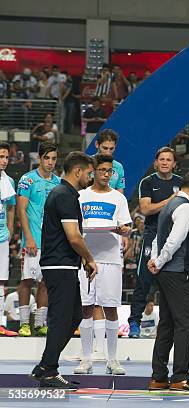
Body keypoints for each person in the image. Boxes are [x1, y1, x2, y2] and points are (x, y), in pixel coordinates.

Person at [30, 152, 97, 390]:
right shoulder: (64, 196)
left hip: (62, 264)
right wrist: (90, 258)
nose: (90, 177)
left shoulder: (64, 194)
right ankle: (49, 370)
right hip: (60, 265)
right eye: (89, 173)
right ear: (77, 171)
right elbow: (74, 237)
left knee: (74, 315)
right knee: (61, 319)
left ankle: (45, 365)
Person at [147, 169, 189, 393]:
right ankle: (180, 378)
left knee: (167, 325)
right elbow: (173, 241)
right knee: (185, 325)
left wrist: (155, 260)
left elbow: (157, 237)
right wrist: (161, 261)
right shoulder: (185, 208)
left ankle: (159, 377)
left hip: (167, 273)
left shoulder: (169, 205)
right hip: (179, 273)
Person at [74, 154, 131, 376]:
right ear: (93, 171)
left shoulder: (119, 198)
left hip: (111, 258)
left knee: (111, 308)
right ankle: (86, 358)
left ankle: (112, 360)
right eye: (102, 170)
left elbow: (125, 226)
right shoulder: (80, 196)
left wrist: (125, 230)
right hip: (86, 258)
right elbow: (75, 226)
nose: (106, 174)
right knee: (86, 308)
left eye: (110, 171)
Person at [128, 147, 182, 338]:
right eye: (162, 159)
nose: (165, 162)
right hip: (153, 235)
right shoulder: (148, 182)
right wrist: (170, 201)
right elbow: (145, 209)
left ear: (174, 163)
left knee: (173, 279)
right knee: (144, 277)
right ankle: (134, 321)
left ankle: (176, 324)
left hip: (175, 234)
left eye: (169, 159)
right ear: (156, 162)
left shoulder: (181, 183)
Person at [16, 142, 61, 337]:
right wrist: (29, 238)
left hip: (51, 242)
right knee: (27, 280)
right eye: (47, 158)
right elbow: (21, 210)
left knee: (45, 282)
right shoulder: (27, 180)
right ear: (39, 158)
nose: (50, 162)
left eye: (53, 158)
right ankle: (24, 323)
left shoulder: (58, 182)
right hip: (32, 241)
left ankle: (39, 323)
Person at [0, 143, 17, 337]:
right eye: (1, 157)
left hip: (2, 237)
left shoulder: (9, 182)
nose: (4, 161)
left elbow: (11, 207)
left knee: (1, 281)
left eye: (6, 157)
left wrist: (10, 229)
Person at [95, 129, 126, 194]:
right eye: (105, 148)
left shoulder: (118, 167)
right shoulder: (87, 163)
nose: (108, 153)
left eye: (111, 149)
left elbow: (120, 193)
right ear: (97, 144)